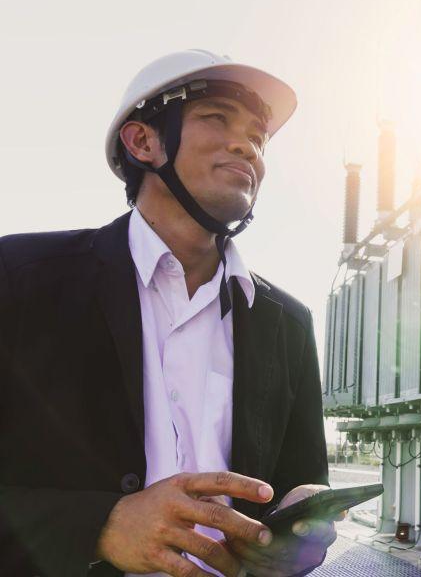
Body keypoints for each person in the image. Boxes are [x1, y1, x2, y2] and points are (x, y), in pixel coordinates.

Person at [0, 50, 336, 577]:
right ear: (143, 142)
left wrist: (303, 530)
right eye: (217, 117)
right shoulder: (20, 279)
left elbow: (304, 479)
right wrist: (98, 526)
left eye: (258, 136)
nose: (246, 143)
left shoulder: (288, 323)